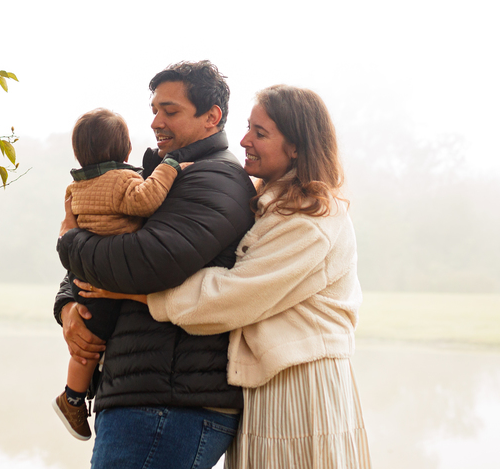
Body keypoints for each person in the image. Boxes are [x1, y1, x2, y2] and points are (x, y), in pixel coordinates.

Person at [77, 85, 372, 468]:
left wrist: (133, 294)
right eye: (249, 128)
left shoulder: (310, 219)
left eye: (260, 133)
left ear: (297, 146)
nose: (245, 139)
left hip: (300, 386)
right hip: (266, 384)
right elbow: (123, 234)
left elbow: (231, 296)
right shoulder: (268, 205)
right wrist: (72, 296)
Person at [54, 61, 257, 469]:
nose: (155, 122)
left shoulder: (216, 179)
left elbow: (148, 262)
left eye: (171, 111)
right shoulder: (158, 175)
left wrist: (69, 239)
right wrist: (69, 307)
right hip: (144, 398)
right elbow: (110, 243)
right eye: (153, 110)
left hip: (168, 404)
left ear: (211, 117)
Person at [51, 107, 191, 440]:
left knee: (87, 335)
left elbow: (69, 234)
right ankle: (71, 397)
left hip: (85, 273)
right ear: (125, 149)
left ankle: (73, 393)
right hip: (108, 278)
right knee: (90, 341)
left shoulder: (75, 188)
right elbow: (145, 202)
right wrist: (168, 168)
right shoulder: (123, 180)